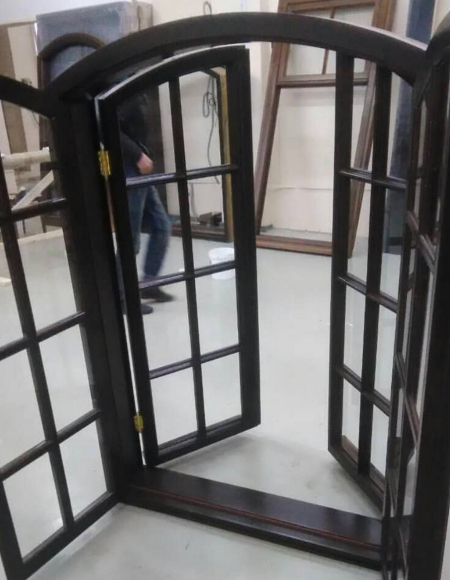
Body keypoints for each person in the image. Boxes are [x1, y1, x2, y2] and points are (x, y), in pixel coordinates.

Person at [119, 93, 173, 315]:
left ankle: (149, 283)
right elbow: (106, 128)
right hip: (128, 168)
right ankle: (122, 297)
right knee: (130, 239)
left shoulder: (139, 92)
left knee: (162, 225)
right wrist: (138, 155)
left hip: (139, 170)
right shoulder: (121, 90)